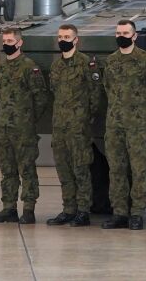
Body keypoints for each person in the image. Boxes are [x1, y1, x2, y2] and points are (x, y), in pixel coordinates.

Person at [100, 19, 146, 231]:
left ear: (134, 36)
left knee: (138, 170)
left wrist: (140, 111)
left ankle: (137, 213)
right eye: (118, 32)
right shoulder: (110, 61)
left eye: (126, 33)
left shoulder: (145, 60)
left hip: (136, 127)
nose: (122, 36)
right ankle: (119, 212)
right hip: (114, 125)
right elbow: (107, 88)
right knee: (116, 170)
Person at [0, 28, 48, 225]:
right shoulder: (2, 68)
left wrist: (28, 120)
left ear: (19, 43)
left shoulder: (30, 68)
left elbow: (41, 98)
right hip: (3, 129)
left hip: (23, 130)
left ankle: (28, 209)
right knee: (7, 171)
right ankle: (9, 208)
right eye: (4, 40)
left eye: (10, 40)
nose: (7, 43)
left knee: (27, 169)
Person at [46, 23, 101, 228]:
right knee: (64, 170)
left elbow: (95, 95)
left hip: (79, 127)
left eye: (67, 37)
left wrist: (85, 117)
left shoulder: (86, 63)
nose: (63, 40)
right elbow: (54, 92)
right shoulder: (56, 65)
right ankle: (68, 209)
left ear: (76, 40)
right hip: (60, 126)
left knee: (81, 170)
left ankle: (83, 211)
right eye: (60, 37)